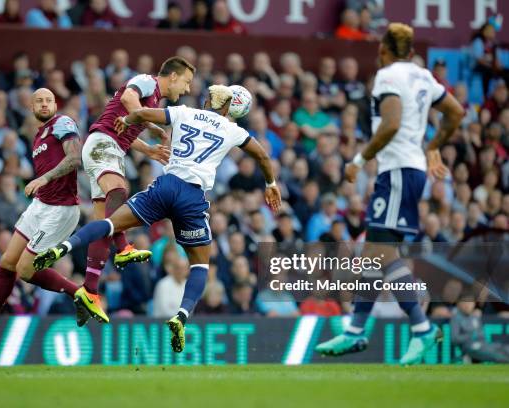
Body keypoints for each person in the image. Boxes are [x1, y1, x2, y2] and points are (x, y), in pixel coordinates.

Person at [34, 85, 281, 353]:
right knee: (200, 265)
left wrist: (127, 119)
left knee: (110, 223)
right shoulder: (234, 131)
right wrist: (270, 183)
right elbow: (262, 155)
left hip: (167, 185)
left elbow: (144, 113)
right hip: (192, 197)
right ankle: (182, 316)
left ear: (208, 100)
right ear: (229, 108)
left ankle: (64, 247)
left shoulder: (185, 113)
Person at [315, 23, 464, 365]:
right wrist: (434, 146)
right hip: (408, 170)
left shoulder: (387, 76)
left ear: (383, 49)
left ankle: (422, 328)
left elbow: (392, 122)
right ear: (410, 50)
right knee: (374, 252)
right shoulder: (424, 75)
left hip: (396, 171)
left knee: (381, 254)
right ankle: (354, 331)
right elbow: (455, 112)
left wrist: (359, 158)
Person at [0, 88, 97, 348]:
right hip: (40, 205)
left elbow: (74, 158)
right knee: (7, 262)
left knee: (25, 270)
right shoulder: (37, 138)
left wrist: (44, 178)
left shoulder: (63, 123)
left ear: (56, 104)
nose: (44, 104)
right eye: (39, 101)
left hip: (61, 209)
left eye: (48, 100)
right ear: (31, 108)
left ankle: (79, 293)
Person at [79, 56, 193, 311]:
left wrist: (148, 150)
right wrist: (151, 125)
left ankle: (89, 290)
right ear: (172, 76)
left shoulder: (153, 99)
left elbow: (124, 130)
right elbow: (128, 100)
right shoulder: (147, 82)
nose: (186, 89)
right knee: (120, 191)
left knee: (104, 226)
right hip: (101, 144)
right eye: (186, 82)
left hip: (112, 147)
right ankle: (123, 247)